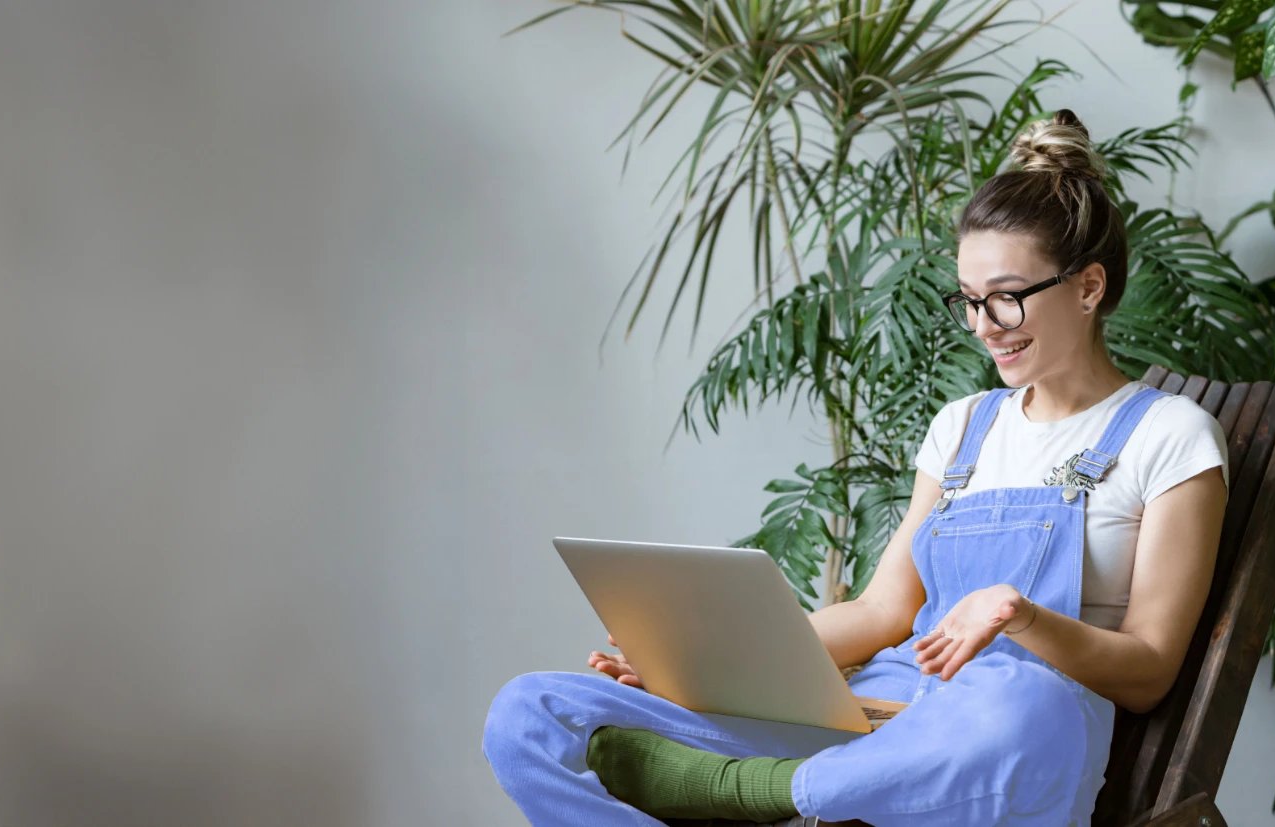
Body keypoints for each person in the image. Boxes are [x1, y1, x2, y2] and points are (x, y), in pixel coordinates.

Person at [481, 109, 1230, 826]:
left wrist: (1024, 619)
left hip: (996, 742)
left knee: (1016, 700)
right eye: (968, 301)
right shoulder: (963, 426)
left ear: (1089, 287)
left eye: (1005, 300)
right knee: (530, 711)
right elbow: (881, 613)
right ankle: (805, 786)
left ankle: (754, 789)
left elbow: (1150, 669)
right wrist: (702, 667)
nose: (982, 329)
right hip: (885, 717)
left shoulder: (1169, 437)